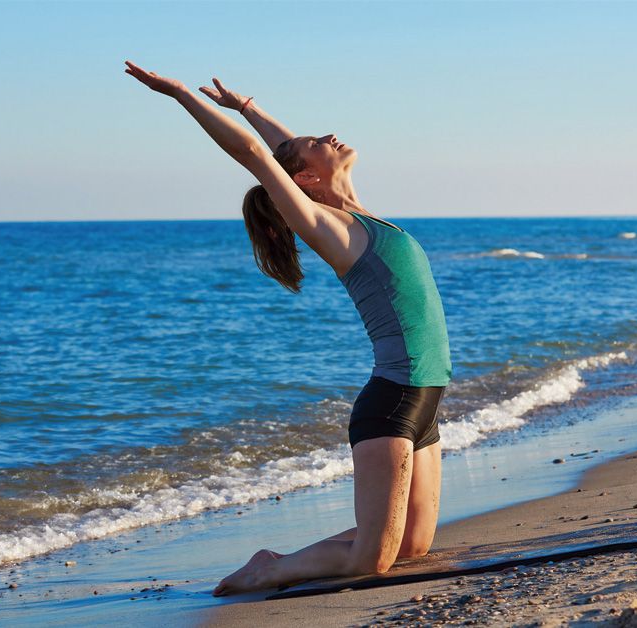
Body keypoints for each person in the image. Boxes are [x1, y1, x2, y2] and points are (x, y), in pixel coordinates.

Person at [123, 61, 452, 596]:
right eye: (316, 142)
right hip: (394, 400)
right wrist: (181, 95)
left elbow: (279, 148)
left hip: (426, 396)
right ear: (304, 181)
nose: (329, 135)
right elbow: (259, 157)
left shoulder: (358, 212)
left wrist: (249, 107)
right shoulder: (328, 227)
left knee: (412, 546)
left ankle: (293, 558)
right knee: (372, 562)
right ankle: (269, 568)